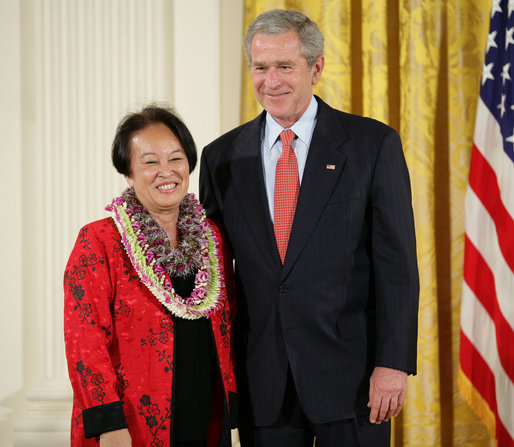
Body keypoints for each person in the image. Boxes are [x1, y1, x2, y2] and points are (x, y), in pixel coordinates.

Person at [200, 9, 419, 447]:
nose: (271, 80)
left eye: (285, 66)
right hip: (262, 379)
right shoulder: (221, 157)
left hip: (354, 379)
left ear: (316, 68)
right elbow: (214, 272)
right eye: (260, 68)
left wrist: (393, 363)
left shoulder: (372, 144)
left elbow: (396, 265)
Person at [64, 105, 237, 447]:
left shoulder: (212, 237)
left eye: (175, 158)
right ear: (127, 172)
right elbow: (84, 342)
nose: (166, 171)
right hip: (132, 422)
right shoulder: (100, 240)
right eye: (149, 161)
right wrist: (109, 422)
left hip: (205, 413)